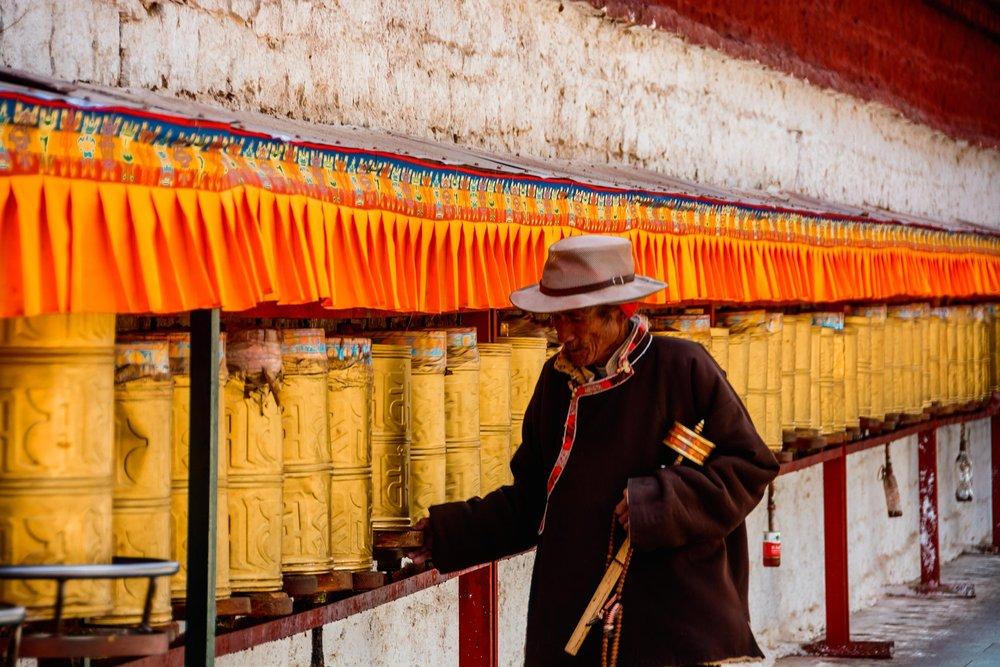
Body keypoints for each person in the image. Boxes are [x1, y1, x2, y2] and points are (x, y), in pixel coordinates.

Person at [410, 235, 779, 666]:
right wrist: (445, 533)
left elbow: (750, 465)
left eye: (575, 318)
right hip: (574, 626)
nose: (563, 334)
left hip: (674, 628)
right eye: (555, 320)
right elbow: (531, 503)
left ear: (618, 313)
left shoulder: (683, 368)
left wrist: (657, 502)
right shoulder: (556, 384)